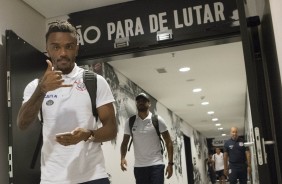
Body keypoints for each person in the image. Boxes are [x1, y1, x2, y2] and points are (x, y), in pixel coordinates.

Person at [17, 20, 117, 184]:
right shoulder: (35, 86)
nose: (63, 53)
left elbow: (111, 129)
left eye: (69, 46)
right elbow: (22, 123)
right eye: (56, 47)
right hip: (53, 179)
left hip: (93, 176)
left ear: (76, 48)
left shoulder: (95, 81)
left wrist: (88, 134)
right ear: (47, 49)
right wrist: (41, 90)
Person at [120, 93, 174, 184]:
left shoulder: (157, 120)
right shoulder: (130, 122)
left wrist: (170, 164)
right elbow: (124, 142)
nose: (141, 102)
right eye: (138, 101)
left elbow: (168, 142)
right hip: (139, 167)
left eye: (143, 100)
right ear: (136, 104)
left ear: (149, 104)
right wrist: (122, 158)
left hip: (156, 165)